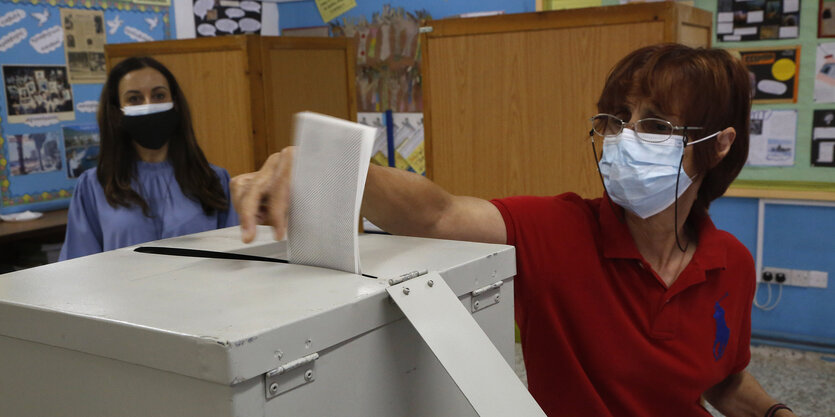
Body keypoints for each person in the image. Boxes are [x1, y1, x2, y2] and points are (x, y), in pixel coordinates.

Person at [230, 44, 797, 417]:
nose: (625, 139)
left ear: (718, 145)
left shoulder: (731, 263)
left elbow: (721, 382)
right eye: (616, 119)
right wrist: (327, 165)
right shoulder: (559, 229)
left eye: (655, 124)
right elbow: (437, 214)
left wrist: (776, 413)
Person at [59, 57, 238, 261]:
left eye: (159, 95)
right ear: (117, 111)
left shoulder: (213, 180)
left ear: (175, 103)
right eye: (134, 99)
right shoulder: (94, 186)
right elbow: (77, 268)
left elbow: (235, 261)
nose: (148, 105)